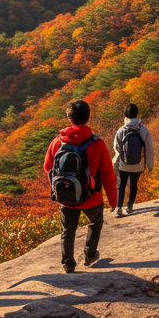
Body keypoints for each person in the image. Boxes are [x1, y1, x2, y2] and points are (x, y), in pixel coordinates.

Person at [43, 100, 118, 273]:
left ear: (69, 118)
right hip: (92, 197)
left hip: (67, 197)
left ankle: (68, 264)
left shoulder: (57, 142)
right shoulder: (97, 143)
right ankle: (90, 253)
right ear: (87, 117)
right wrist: (113, 200)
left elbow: (48, 167)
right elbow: (107, 174)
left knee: (67, 231)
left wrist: (58, 188)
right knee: (96, 222)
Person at [111, 103, 155, 217]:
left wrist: (123, 155)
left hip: (123, 165)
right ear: (137, 115)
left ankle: (119, 208)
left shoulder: (121, 130)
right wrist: (150, 166)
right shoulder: (143, 129)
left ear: (125, 116)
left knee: (121, 186)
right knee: (134, 184)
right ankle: (130, 207)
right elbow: (149, 149)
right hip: (138, 164)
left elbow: (116, 147)